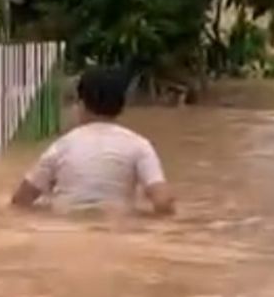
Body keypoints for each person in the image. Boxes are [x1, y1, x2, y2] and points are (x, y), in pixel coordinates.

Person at [11, 66, 175, 215]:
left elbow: (20, 201)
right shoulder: (139, 145)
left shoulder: (61, 146)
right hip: (117, 226)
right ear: (122, 105)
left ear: (81, 104)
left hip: (67, 229)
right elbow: (163, 202)